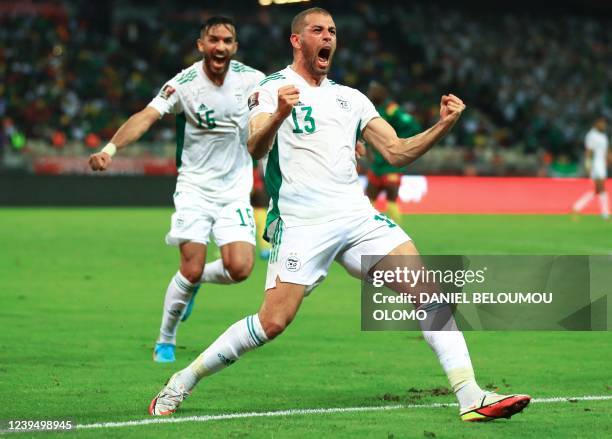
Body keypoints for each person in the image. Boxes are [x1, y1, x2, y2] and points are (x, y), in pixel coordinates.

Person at [148, 8, 530, 421]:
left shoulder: (350, 98)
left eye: (332, 31)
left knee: (428, 292)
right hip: (301, 223)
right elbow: (255, 147)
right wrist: (278, 114)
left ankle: (470, 395)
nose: (327, 36)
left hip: (356, 217)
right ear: (297, 41)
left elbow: (397, 151)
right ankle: (181, 381)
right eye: (317, 30)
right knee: (272, 322)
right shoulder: (270, 87)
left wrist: (443, 125)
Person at [89, 17, 264, 362]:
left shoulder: (253, 80)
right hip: (195, 188)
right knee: (191, 266)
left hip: (234, 190)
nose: (220, 47)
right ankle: (165, 339)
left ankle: (197, 283)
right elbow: (146, 115)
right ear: (201, 45)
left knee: (240, 269)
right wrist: (110, 149)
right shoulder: (183, 84)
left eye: (227, 41)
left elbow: (284, 113)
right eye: (214, 40)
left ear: (235, 47)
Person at [365, 82, 421, 225]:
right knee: (367, 200)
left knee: (391, 199)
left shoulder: (391, 109)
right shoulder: (373, 109)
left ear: (381, 93)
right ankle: (367, 229)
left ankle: (397, 233)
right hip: (377, 165)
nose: (370, 94)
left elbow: (413, 126)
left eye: (373, 91)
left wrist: (400, 141)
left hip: (391, 165)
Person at [572, 117, 609, 220]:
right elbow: (588, 150)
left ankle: (577, 206)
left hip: (602, 163)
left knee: (598, 189)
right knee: (601, 187)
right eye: (602, 123)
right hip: (595, 163)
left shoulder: (603, 136)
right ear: (596, 124)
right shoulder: (591, 135)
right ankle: (605, 213)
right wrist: (588, 164)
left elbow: (605, 151)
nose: (604, 126)